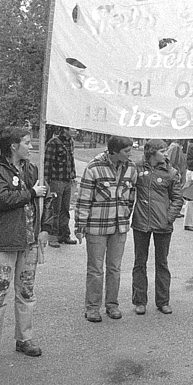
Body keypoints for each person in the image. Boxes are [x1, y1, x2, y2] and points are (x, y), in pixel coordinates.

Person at [0, 126, 53, 365]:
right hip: (4, 241)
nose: (31, 147)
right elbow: (3, 198)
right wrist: (31, 192)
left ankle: (24, 339)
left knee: (26, 292)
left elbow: (45, 200)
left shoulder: (32, 169)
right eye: (27, 143)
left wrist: (45, 228)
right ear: (13, 146)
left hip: (29, 242)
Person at [76, 135, 137, 322]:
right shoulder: (94, 168)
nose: (130, 154)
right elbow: (84, 198)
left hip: (119, 226)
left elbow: (131, 194)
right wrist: (80, 225)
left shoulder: (131, 168)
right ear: (114, 151)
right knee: (95, 269)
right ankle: (92, 307)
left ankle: (112, 305)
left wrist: (126, 214)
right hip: (97, 226)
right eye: (127, 151)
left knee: (115, 268)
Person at [131, 139, 184, 315]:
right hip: (141, 222)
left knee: (162, 263)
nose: (166, 154)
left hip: (162, 224)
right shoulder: (137, 168)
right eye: (162, 151)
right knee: (140, 262)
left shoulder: (171, 172)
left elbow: (177, 199)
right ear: (151, 152)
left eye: (166, 151)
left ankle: (163, 301)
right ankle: (139, 301)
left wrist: (168, 218)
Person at [43, 125, 78, 248]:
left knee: (65, 209)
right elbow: (48, 163)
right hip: (56, 181)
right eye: (73, 128)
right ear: (65, 129)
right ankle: (52, 236)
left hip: (67, 180)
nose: (75, 130)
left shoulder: (70, 143)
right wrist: (47, 182)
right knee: (54, 209)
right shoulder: (54, 143)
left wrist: (73, 176)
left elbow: (71, 161)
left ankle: (64, 235)